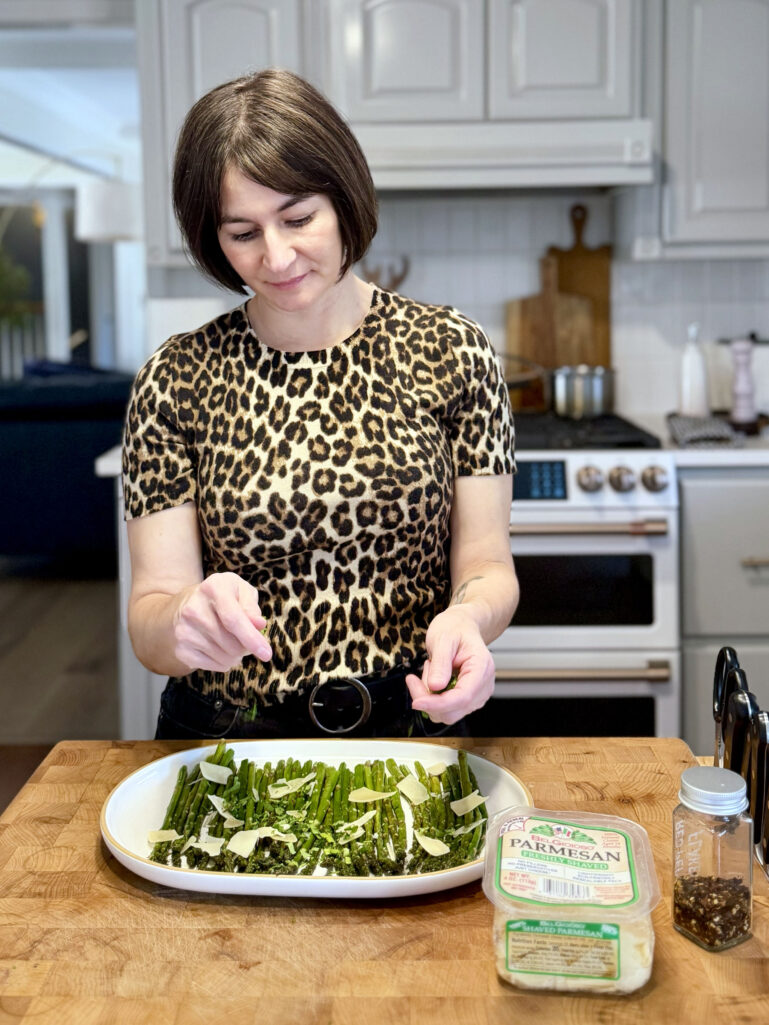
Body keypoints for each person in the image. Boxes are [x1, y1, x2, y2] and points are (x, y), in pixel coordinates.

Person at [122, 68, 519, 740]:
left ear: (343, 199)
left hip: (411, 724)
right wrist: (184, 619)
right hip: (226, 736)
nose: (276, 256)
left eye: (298, 217)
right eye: (241, 232)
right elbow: (150, 616)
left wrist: (468, 620)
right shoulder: (174, 377)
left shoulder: (454, 350)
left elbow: (486, 564)